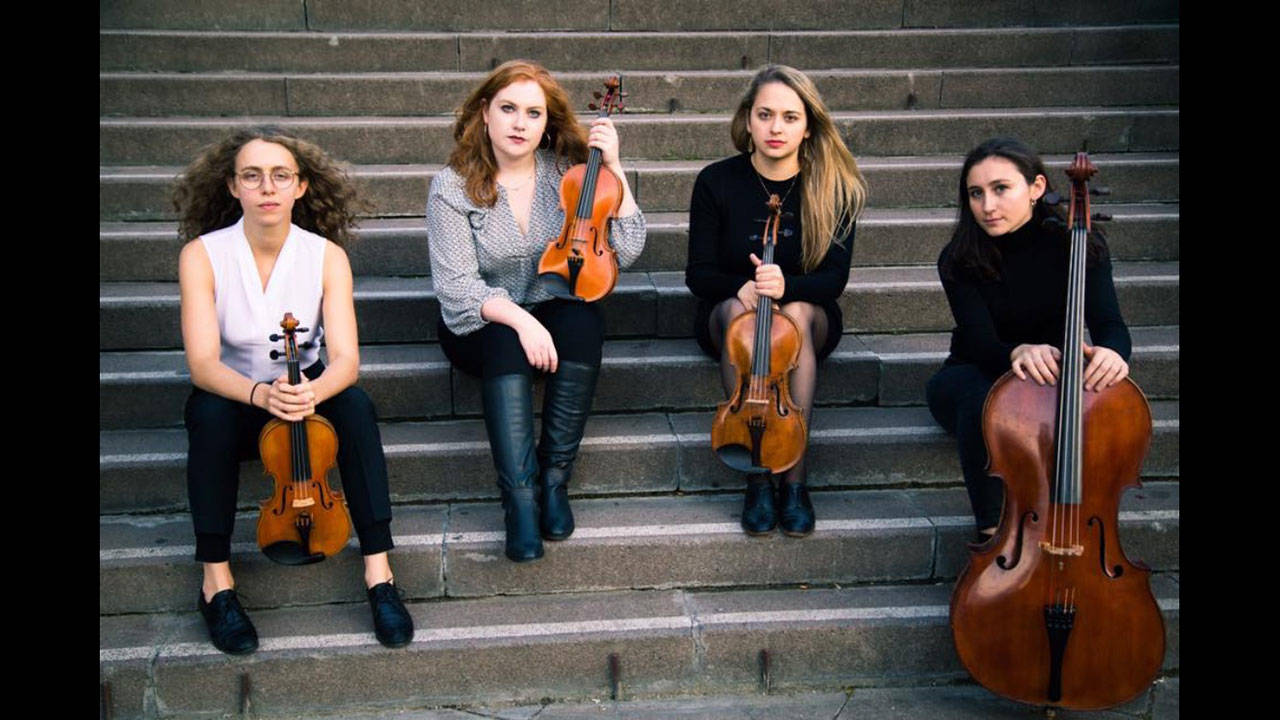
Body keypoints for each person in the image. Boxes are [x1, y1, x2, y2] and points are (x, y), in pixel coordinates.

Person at [174, 128, 414, 654]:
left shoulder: (325, 256)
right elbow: (202, 364)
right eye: (252, 176)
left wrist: (313, 392)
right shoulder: (203, 255)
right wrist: (260, 395)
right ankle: (216, 585)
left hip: (306, 393)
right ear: (233, 186)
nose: (267, 187)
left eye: (281, 175)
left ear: (301, 186)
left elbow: (346, 360)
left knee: (355, 407)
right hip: (237, 397)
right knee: (208, 417)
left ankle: (380, 575)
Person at [425, 60, 646, 562]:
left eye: (533, 113)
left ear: (547, 123)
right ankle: (519, 502)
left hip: (551, 307)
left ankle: (553, 480)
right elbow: (457, 288)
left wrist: (614, 170)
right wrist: (521, 320)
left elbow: (627, 249)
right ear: (485, 113)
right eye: (508, 109)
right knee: (504, 340)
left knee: (584, 319)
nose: (519, 123)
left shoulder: (568, 176)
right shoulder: (451, 187)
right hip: (479, 321)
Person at [685, 65, 867, 537]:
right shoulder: (716, 181)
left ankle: (795, 481)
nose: (776, 128)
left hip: (809, 318)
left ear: (808, 126)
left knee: (798, 314)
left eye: (790, 117)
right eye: (765, 114)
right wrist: (739, 287)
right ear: (747, 120)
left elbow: (834, 280)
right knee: (739, 315)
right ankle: (758, 477)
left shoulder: (835, 186)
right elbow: (698, 274)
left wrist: (788, 289)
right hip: (731, 313)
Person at [925, 137, 1132, 543]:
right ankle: (992, 535)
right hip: (974, 372)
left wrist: (1114, 352)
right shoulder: (959, 256)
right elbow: (981, 344)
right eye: (976, 193)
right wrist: (1018, 351)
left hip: (1049, 380)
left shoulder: (1079, 243)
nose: (987, 205)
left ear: (1037, 187)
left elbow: (1110, 324)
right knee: (983, 399)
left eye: (1001, 188)